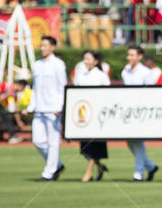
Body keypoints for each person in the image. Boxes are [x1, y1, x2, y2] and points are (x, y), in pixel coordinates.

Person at [28, 36, 67, 181]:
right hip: (39, 108)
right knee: (37, 140)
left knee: (53, 142)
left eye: (45, 45)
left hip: (53, 109)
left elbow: (62, 86)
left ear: (53, 47)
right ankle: (56, 164)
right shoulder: (37, 64)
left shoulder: (58, 64)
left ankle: (49, 172)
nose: (42, 48)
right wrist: (30, 106)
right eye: (41, 45)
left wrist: (60, 106)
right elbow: (36, 88)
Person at [121, 45, 160, 181]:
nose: (129, 57)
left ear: (140, 57)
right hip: (129, 112)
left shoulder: (146, 72)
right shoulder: (125, 72)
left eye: (132, 55)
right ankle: (150, 166)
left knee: (137, 141)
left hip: (142, 112)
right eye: (128, 55)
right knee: (130, 142)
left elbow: (150, 93)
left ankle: (138, 173)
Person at [74, 50, 109, 182]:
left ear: (95, 61)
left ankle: (88, 173)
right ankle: (100, 167)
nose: (85, 61)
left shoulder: (101, 76)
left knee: (94, 145)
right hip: (83, 115)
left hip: (97, 115)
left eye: (88, 59)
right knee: (85, 147)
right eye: (84, 59)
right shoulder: (81, 75)